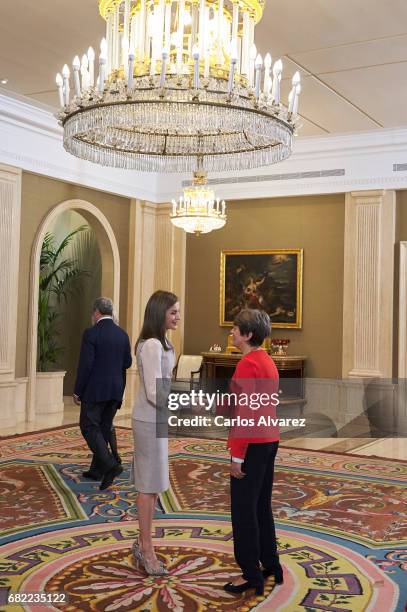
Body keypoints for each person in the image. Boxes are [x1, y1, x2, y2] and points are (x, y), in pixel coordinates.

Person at [223, 309, 283, 596]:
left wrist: (237, 456)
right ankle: (271, 564)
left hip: (252, 444)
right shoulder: (267, 361)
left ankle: (250, 574)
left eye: (235, 329)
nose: (231, 333)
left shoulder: (248, 364)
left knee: (244, 511)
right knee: (261, 506)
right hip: (269, 440)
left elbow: (244, 412)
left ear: (247, 334)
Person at [131, 290, 180, 576]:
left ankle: (143, 542)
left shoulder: (165, 344)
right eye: (173, 312)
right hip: (148, 420)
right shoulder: (150, 345)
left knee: (156, 484)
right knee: (147, 487)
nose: (177, 317)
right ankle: (146, 548)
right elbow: (153, 391)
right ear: (159, 312)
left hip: (158, 418)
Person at [73, 297, 132, 491]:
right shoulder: (123, 335)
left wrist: (77, 391)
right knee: (103, 428)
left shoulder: (91, 333)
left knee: (89, 426)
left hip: (95, 390)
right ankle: (97, 470)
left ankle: (110, 465)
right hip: (116, 391)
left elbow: (86, 365)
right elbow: (127, 363)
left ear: (96, 312)